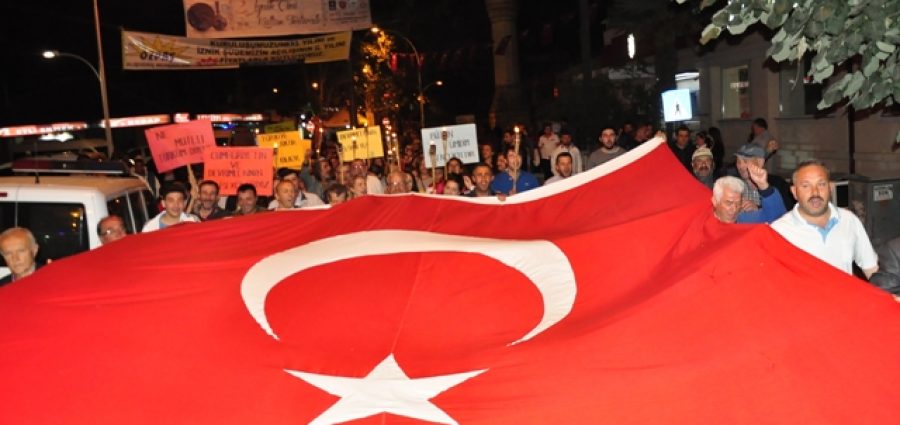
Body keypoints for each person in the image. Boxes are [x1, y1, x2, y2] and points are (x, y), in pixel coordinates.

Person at [772, 160, 879, 278]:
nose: (815, 192)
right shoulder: (779, 231)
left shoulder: (849, 220)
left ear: (830, 187)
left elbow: (871, 269)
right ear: (794, 192)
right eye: (806, 186)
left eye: (821, 184)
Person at [711, 170, 785, 224]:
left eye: (738, 203)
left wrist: (764, 186)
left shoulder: (745, 220)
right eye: (729, 203)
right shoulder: (705, 224)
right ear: (715, 201)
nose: (734, 209)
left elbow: (778, 218)